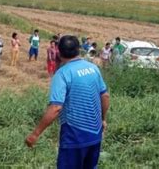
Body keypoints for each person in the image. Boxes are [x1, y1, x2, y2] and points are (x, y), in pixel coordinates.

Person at [25, 35, 110, 169]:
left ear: (59, 51)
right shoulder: (93, 68)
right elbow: (105, 96)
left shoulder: (62, 74)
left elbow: (56, 107)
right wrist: (103, 119)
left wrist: (35, 134)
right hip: (95, 134)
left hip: (74, 136)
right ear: (78, 49)